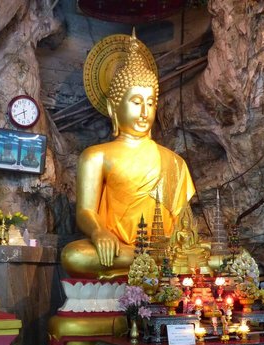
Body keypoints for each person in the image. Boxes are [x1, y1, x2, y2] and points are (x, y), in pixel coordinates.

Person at [61, 33, 195, 279]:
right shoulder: (96, 156)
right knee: (75, 255)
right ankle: (148, 264)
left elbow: (183, 225)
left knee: (212, 256)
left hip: (162, 250)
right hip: (115, 249)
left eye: (151, 102)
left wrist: (185, 245)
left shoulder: (174, 162)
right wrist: (99, 232)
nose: (144, 112)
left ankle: (147, 263)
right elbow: (85, 212)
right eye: (136, 102)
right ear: (114, 107)